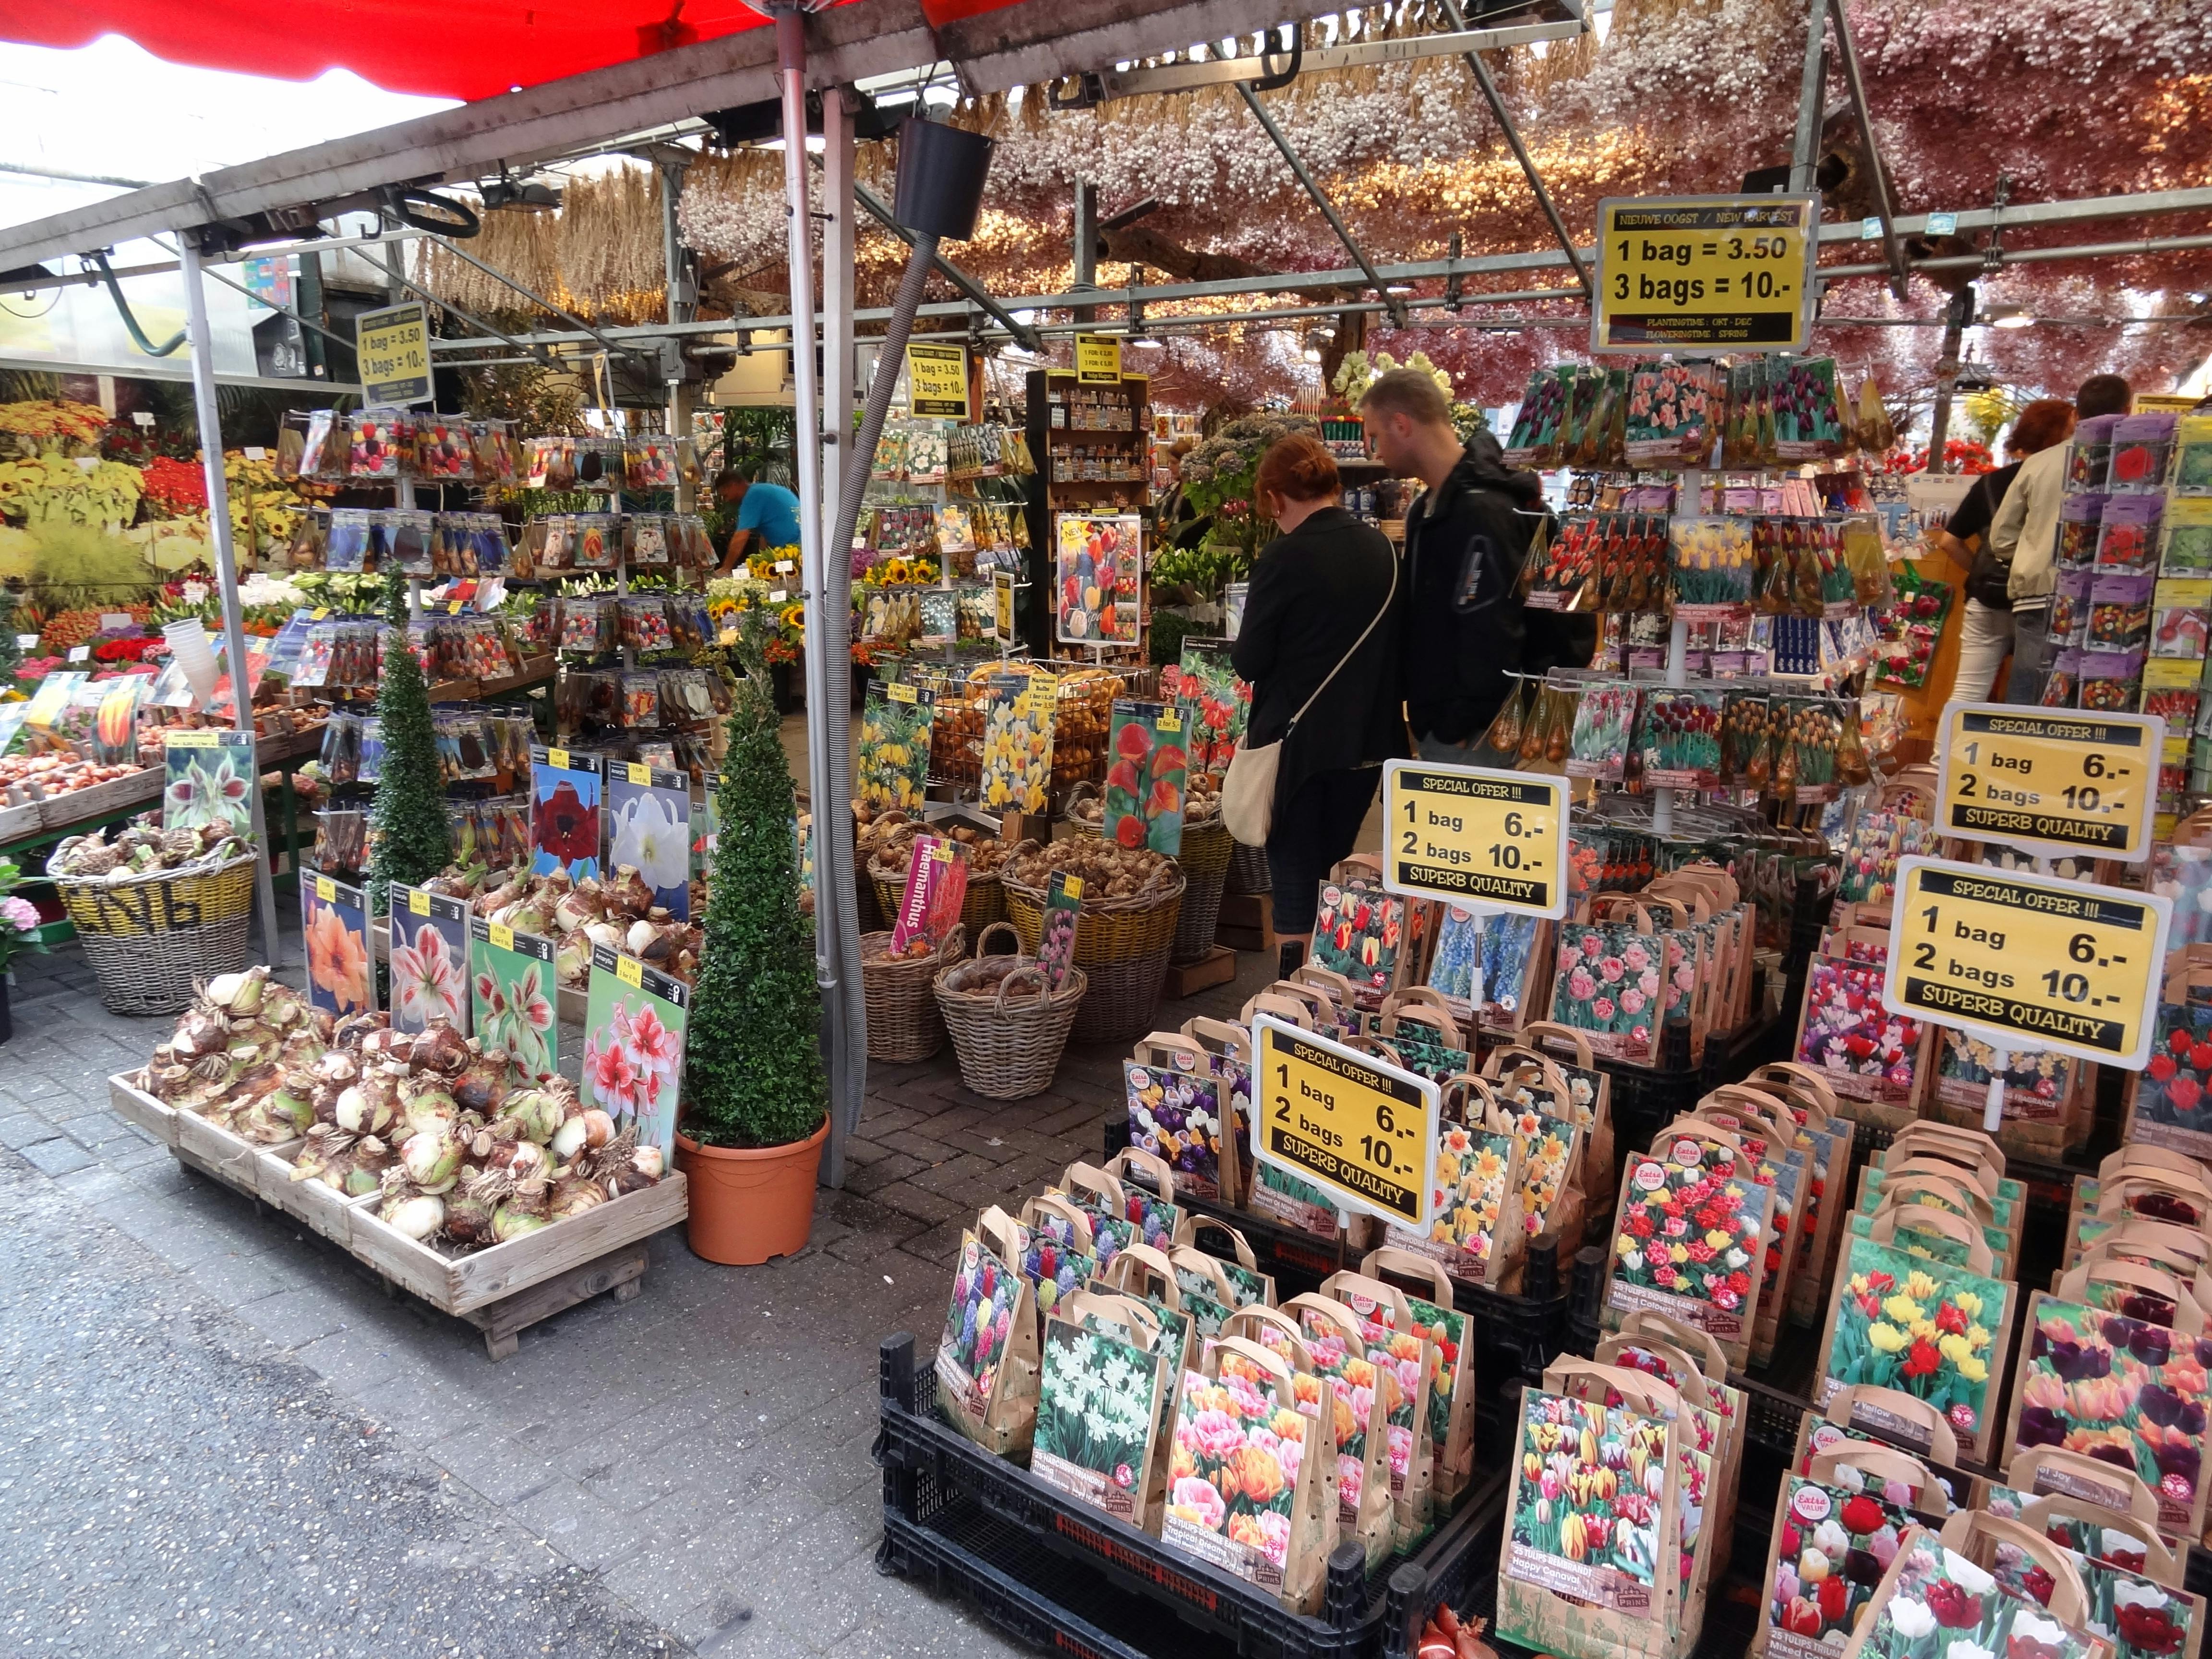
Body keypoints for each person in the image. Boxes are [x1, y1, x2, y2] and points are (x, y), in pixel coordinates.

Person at [1230, 434, 1405, 970]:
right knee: (1334, 871)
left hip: (1298, 747)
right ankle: (1332, 989)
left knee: (1294, 880)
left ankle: (1293, 996)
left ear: (1275, 497)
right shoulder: (1382, 550)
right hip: (1367, 742)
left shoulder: (1284, 557)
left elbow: (1249, 660)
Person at [1358, 367, 1591, 761]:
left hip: (1474, 733)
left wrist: (1461, 721)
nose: (1376, 452)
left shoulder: (1481, 511)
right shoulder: (1430, 507)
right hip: (1447, 720)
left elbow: (1491, 626)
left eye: (1376, 436)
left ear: (1401, 424)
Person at [1989, 373, 2132, 703]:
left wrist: (2034, 553)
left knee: (2029, 684)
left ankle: (2018, 737)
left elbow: (2002, 537)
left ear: (2076, 415)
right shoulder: (2140, 466)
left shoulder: (2038, 463)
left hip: (2040, 589)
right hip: (2115, 594)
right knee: (2097, 693)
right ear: (2127, 411)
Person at [1938, 397, 2077, 703]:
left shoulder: (1992, 483)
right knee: (2029, 692)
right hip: (2041, 597)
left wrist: (1981, 569)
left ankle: (1949, 738)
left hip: (1989, 596)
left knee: (1968, 691)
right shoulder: (2071, 479)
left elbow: (1949, 542)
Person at [715, 474, 805, 572]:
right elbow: (765, 534)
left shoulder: (753, 496)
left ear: (733, 485)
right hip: (800, 546)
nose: (727, 501)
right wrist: (762, 561)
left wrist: (726, 568)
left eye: (725, 496)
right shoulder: (762, 490)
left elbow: (741, 537)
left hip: (794, 551)